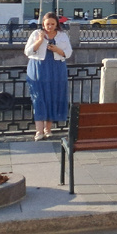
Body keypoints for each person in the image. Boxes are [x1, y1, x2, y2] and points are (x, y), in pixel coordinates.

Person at [24, 12, 72, 140]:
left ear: (57, 24)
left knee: (52, 96)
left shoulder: (62, 35)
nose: (49, 26)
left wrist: (57, 50)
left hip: (56, 68)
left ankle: (48, 129)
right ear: (43, 24)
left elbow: (68, 53)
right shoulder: (36, 34)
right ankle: (39, 131)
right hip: (38, 67)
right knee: (39, 98)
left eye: (52, 24)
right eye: (47, 24)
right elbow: (27, 51)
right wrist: (40, 41)